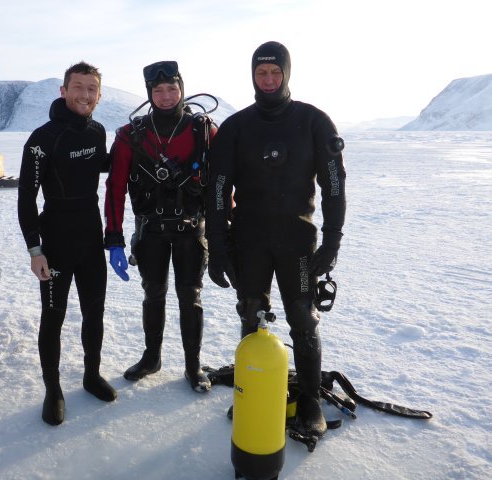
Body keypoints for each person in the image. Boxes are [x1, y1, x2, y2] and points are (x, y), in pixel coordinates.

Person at [205, 41, 347, 438]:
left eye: (274, 72)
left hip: (297, 241)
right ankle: (253, 390)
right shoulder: (236, 127)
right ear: (252, 75)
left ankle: (311, 403)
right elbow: (217, 190)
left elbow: (333, 185)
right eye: (260, 73)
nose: (267, 80)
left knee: (302, 319)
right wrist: (217, 246)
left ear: (286, 73)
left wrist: (332, 241)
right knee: (252, 315)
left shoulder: (313, 121)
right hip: (248, 241)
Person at [104, 61, 217, 392]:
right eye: (158, 91)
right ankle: (151, 357)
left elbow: (222, 187)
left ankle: (193, 367)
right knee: (153, 294)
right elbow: (115, 188)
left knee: (190, 296)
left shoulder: (203, 131)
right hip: (151, 230)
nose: (166, 96)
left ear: (181, 88)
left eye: (172, 89)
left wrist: (227, 233)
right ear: (149, 94)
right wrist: (114, 238)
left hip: (191, 230)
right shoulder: (131, 136)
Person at [18, 61, 117, 426]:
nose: (84, 95)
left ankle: (91, 375)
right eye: (78, 87)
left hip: (91, 239)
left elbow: (99, 165)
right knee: (53, 317)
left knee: (95, 312)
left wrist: (128, 144)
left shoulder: (97, 132)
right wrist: (35, 249)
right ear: (64, 90)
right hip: (55, 241)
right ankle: (53, 390)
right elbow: (26, 197)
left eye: (91, 89)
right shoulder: (43, 139)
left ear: (99, 96)